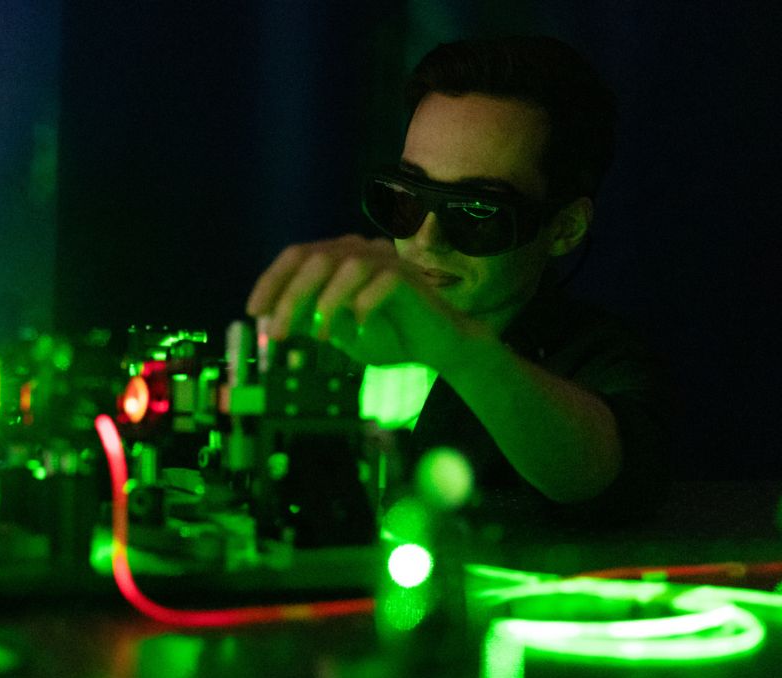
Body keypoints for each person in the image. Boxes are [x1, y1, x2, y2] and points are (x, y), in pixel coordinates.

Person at [247, 36, 670, 529]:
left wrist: (456, 348)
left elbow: (602, 476)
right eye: (406, 197)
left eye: (476, 211)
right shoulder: (329, 332)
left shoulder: (602, 363)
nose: (426, 238)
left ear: (565, 227)